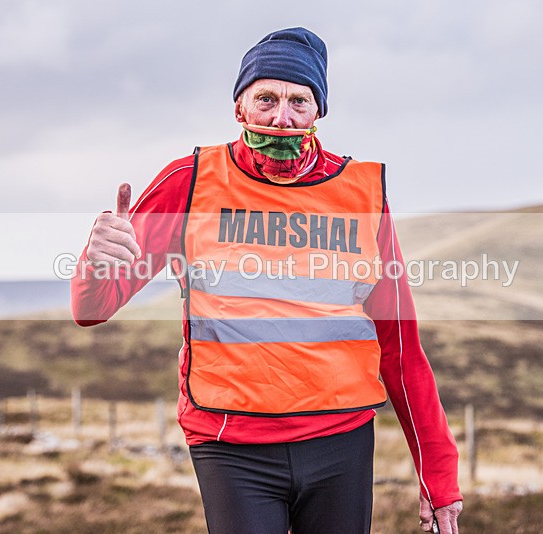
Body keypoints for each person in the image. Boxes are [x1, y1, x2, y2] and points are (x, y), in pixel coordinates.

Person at [71, 27, 462, 534]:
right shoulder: (189, 182)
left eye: (299, 100)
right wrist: (97, 262)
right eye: (266, 98)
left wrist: (438, 475)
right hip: (230, 445)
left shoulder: (361, 195)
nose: (282, 117)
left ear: (318, 111)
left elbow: (401, 345)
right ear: (240, 107)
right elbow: (91, 308)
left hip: (340, 441)